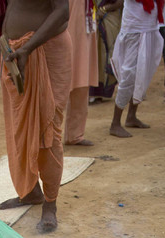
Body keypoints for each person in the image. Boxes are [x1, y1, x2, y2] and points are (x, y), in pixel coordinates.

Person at [0, 0, 71, 232]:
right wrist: (3, 53)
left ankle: (50, 204)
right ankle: (31, 191)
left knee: (47, 128)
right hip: (16, 54)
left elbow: (62, 13)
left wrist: (27, 48)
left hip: (44, 50)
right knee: (20, 127)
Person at [108, 0, 163, 138]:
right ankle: (115, 123)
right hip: (135, 27)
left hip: (150, 25)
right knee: (129, 74)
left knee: (143, 72)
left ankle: (131, 116)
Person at [65, 0, 97, 143]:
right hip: (65, 39)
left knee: (82, 81)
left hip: (84, 32)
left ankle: (75, 134)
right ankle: (46, 138)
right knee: (57, 90)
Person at [91, 0, 122, 99]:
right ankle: (93, 92)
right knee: (93, 54)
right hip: (93, 18)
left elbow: (121, 2)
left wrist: (104, 9)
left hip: (110, 18)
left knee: (108, 53)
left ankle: (105, 91)